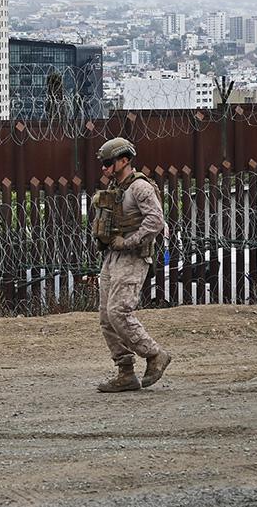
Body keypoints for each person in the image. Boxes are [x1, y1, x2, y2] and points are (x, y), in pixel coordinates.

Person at [91, 137, 172, 392]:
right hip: (112, 256)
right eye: (103, 164)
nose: (104, 168)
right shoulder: (119, 188)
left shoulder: (139, 187)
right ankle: (125, 372)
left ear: (124, 160)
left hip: (133, 257)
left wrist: (129, 241)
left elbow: (156, 221)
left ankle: (154, 354)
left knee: (118, 311)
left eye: (108, 163)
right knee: (106, 317)